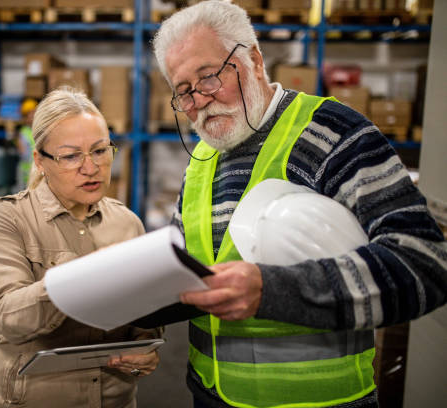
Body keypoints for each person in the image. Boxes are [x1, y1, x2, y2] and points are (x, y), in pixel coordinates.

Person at [152, 1, 447, 408]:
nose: (198, 101)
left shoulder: (333, 133)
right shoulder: (202, 159)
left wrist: (272, 291)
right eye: (183, 91)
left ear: (253, 60)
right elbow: (183, 268)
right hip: (209, 396)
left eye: (209, 77)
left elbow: (425, 265)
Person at [0, 87, 161, 408]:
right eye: (71, 155)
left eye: (100, 151)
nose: (90, 168)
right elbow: (7, 316)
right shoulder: (8, 219)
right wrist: (78, 278)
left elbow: (143, 319)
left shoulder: (128, 223)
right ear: (40, 161)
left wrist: (145, 349)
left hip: (113, 398)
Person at [16, 98, 38, 191]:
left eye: (34, 113)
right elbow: (23, 153)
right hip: (26, 174)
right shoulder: (23, 133)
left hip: (38, 173)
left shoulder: (40, 130)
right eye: (29, 114)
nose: (32, 116)